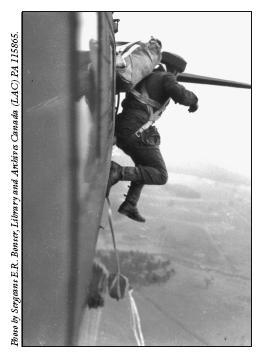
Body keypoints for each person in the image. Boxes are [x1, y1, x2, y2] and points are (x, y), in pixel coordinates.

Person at [106, 53, 199, 223]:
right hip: (135, 128)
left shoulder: (147, 75)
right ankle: (117, 172)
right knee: (160, 174)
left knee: (146, 166)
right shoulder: (167, 77)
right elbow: (179, 93)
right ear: (177, 70)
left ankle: (130, 203)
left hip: (122, 124)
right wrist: (194, 101)